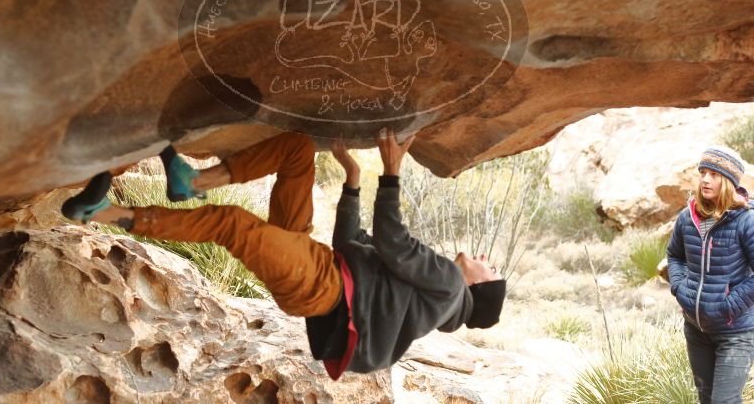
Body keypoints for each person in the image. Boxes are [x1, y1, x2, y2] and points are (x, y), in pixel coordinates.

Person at [62, 128, 507, 377]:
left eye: (491, 268)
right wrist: (352, 180)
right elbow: (353, 247)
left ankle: (105, 212)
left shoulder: (450, 287)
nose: (485, 259)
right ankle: (191, 183)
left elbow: (393, 241)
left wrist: (391, 173)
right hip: (320, 268)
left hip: (319, 283)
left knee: (231, 224)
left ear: (479, 286)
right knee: (297, 150)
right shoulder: (437, 293)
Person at [667, 145, 754, 404]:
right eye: (702, 172)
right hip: (696, 329)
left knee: (724, 401)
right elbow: (675, 256)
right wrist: (680, 288)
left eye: (714, 174)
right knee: (705, 398)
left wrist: (729, 306)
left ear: (727, 181)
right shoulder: (687, 217)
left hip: (735, 332)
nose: (705, 179)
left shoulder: (745, 220)